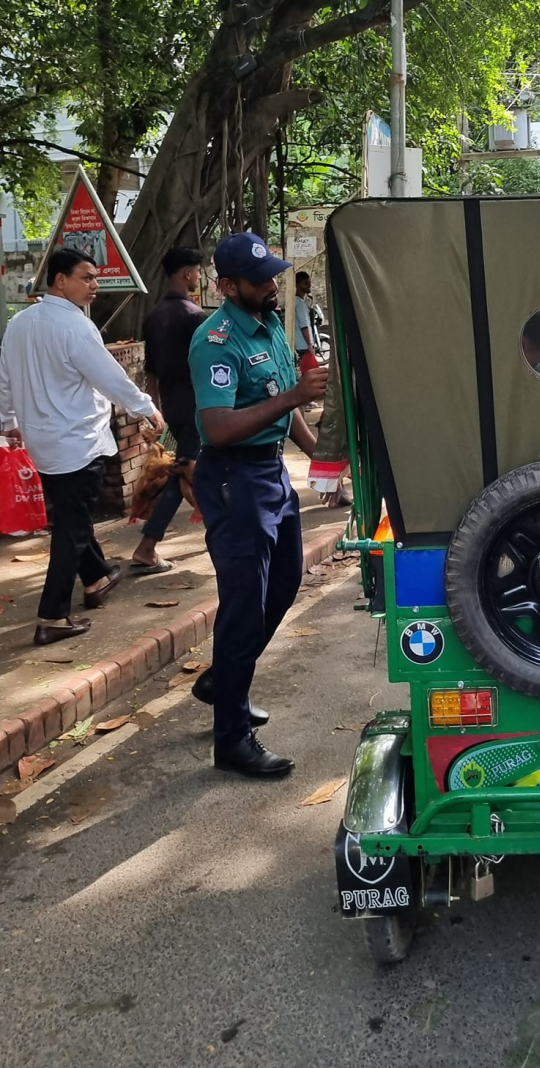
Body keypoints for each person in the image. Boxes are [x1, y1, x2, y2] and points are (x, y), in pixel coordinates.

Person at [188, 232, 328, 779]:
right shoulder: (215, 341)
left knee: (286, 582)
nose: (273, 285)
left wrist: (323, 460)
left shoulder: (269, 323)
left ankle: (224, 680)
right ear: (227, 286)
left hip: (269, 473)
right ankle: (232, 740)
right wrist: (294, 398)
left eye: (273, 275)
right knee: (245, 603)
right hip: (232, 478)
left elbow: (281, 404)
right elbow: (217, 428)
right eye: (261, 279)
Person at [0, 248, 165, 645]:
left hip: (43, 441)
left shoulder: (19, 323)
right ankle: (52, 615)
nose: (95, 285)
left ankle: (96, 578)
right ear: (60, 280)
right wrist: (146, 408)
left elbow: (4, 377)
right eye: (86, 277)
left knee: (72, 517)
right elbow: (110, 376)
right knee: (72, 529)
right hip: (77, 442)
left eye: (95, 278)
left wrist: (8, 422)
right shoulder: (76, 328)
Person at [133, 246, 207, 573]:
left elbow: (150, 370)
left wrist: (155, 411)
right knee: (193, 471)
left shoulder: (154, 316)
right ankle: (223, 530)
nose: (199, 277)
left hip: (172, 409)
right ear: (188, 273)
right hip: (198, 408)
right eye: (198, 271)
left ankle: (148, 543)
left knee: (181, 472)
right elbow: (208, 367)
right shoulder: (195, 317)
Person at [293, 270, 320, 374]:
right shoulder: (299, 303)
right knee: (310, 374)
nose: (308, 286)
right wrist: (309, 344)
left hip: (299, 344)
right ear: (297, 285)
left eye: (309, 283)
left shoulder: (296, 301)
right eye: (305, 283)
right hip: (304, 345)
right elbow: (304, 325)